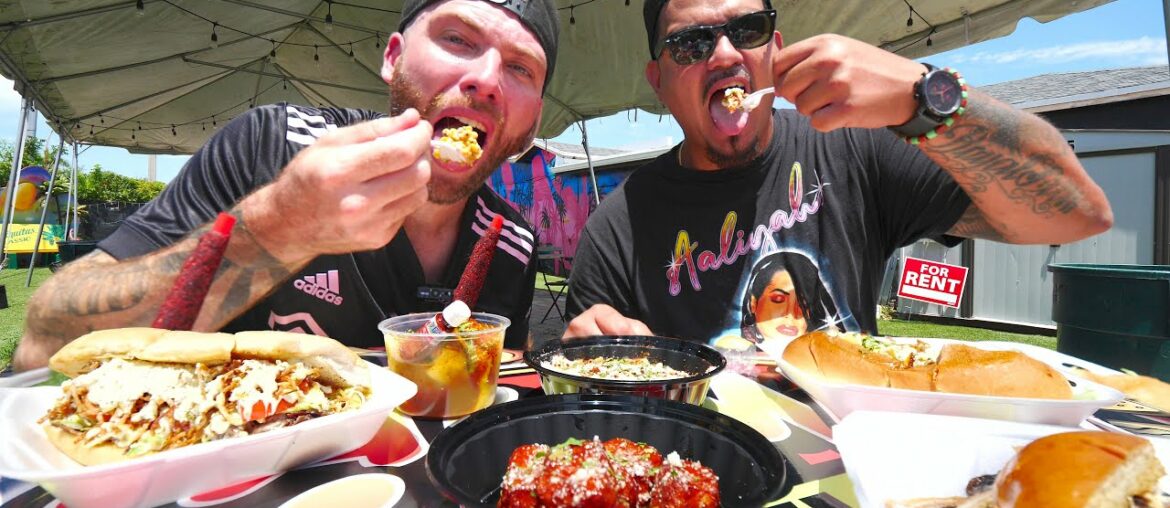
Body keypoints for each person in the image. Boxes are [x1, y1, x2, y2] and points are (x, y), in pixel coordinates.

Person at [13, 0, 559, 370]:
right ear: (393, 58)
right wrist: (278, 226)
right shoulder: (270, 148)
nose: (486, 80)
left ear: (531, 122)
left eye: (520, 69)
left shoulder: (513, 242)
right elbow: (43, 345)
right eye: (458, 39)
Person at [563, 0, 1112, 346]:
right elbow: (587, 384)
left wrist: (922, 94)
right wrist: (589, 347)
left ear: (774, 50)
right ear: (657, 81)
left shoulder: (854, 148)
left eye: (748, 29)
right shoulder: (619, 226)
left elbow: (1077, 212)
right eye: (690, 42)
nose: (725, 54)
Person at [739, 250, 842, 346]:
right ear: (753, 303)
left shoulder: (831, 352)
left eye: (803, 304)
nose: (791, 314)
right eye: (778, 299)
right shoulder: (732, 351)